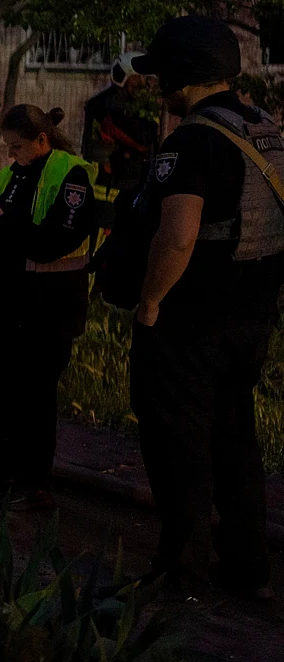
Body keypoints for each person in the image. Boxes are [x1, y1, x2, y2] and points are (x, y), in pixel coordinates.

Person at [129, 15, 284, 600]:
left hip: (192, 325)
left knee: (181, 446)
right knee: (236, 441)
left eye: (161, 73)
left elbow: (179, 236)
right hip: (251, 319)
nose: (157, 85)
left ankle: (181, 572)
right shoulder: (268, 130)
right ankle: (247, 566)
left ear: (185, 75)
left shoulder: (192, 139)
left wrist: (149, 303)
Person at [0, 105, 97, 510]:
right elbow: (1, 232)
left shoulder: (70, 175)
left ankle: (35, 482)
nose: (9, 155)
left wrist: (1, 225)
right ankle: (6, 471)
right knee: (4, 398)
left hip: (50, 310)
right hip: (7, 306)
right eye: (7, 147)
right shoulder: (11, 177)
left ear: (42, 141)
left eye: (17, 147)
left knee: (36, 400)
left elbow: (56, 240)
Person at [82, 52, 160, 230]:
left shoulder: (102, 102)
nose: (145, 82)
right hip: (114, 181)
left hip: (114, 179)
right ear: (128, 77)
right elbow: (143, 139)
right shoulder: (117, 106)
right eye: (140, 77)